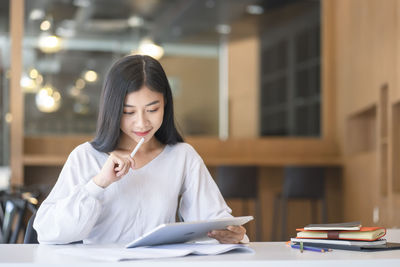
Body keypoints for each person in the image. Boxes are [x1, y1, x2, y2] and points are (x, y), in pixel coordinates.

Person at [33, 55, 247, 245]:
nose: (142, 123)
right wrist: (99, 184)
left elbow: (213, 220)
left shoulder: (182, 156)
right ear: (113, 110)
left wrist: (231, 234)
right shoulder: (86, 157)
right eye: (129, 112)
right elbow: (47, 232)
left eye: (152, 109)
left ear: (166, 104)